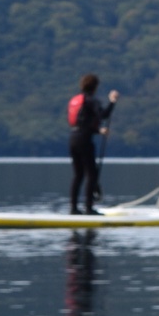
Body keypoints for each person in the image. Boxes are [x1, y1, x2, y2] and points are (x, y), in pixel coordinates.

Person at [66, 74, 118, 215]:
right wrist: (112, 102)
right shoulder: (91, 100)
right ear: (95, 87)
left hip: (73, 139)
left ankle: (73, 208)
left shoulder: (78, 101)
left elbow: (82, 123)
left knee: (78, 175)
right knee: (92, 174)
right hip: (84, 141)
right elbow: (104, 115)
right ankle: (89, 209)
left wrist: (98, 130)